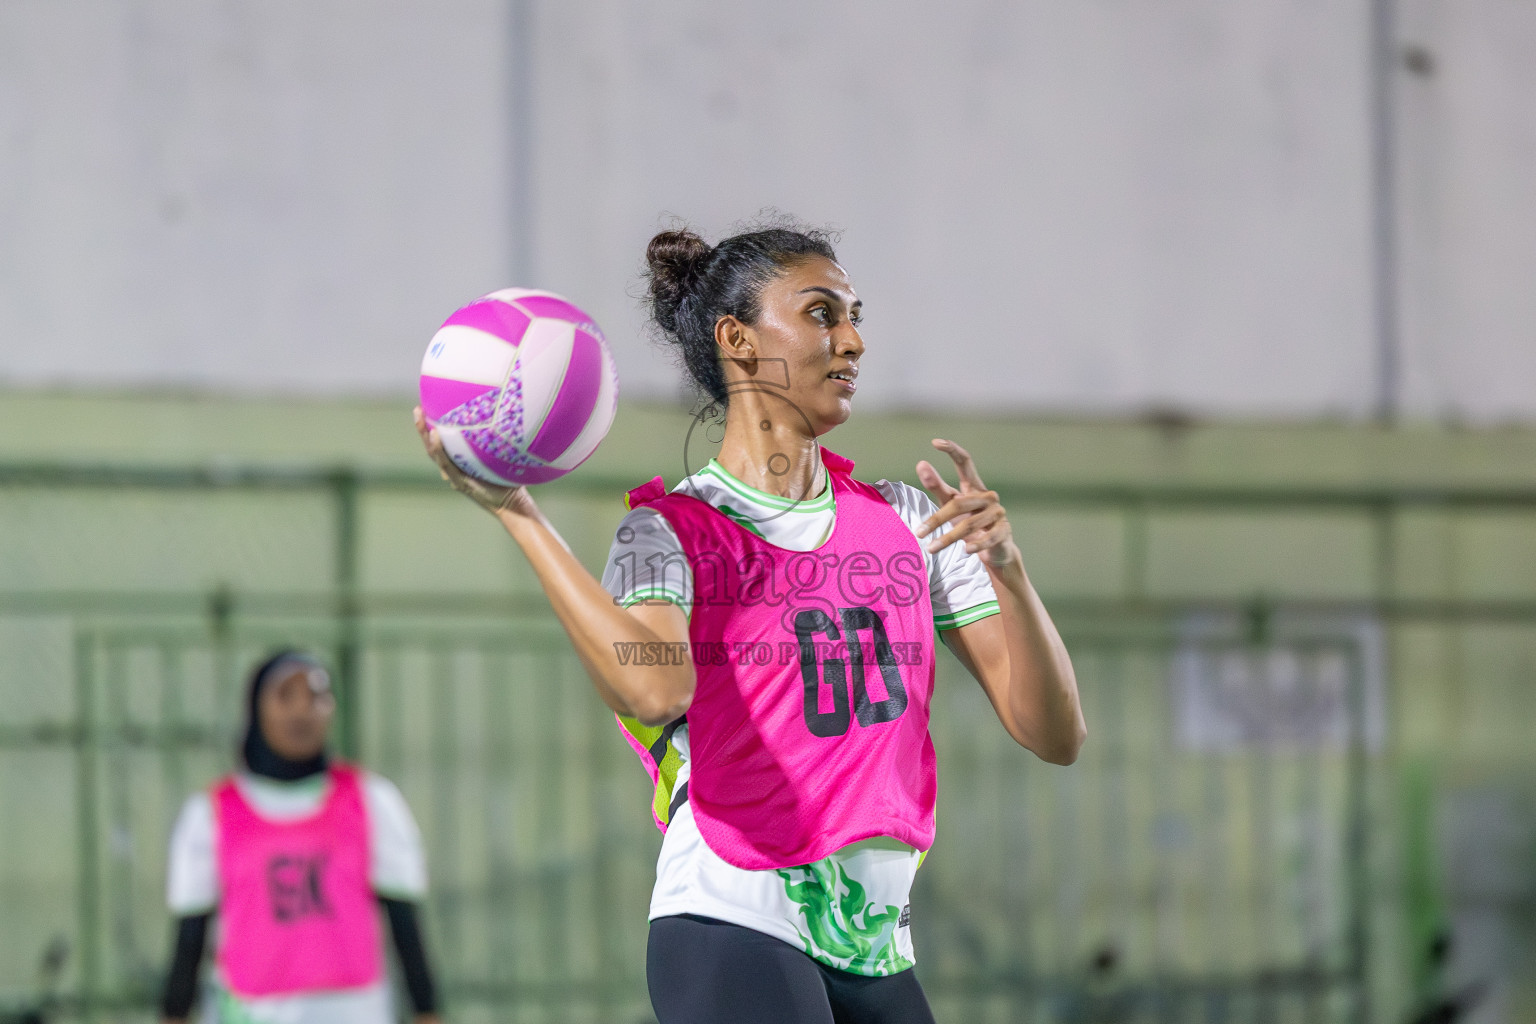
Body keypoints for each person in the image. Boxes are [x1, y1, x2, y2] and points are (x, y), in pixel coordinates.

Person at [414, 223, 1085, 1024]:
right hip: (734, 913)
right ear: (738, 339)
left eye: (854, 314)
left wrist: (1011, 572)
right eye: (821, 313)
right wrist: (522, 516)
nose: (854, 339)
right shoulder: (667, 533)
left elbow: (1055, 734)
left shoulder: (912, 522)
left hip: (874, 943)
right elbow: (653, 686)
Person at [159, 651, 441, 1024]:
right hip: (251, 1011)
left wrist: (427, 1010)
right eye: (285, 696)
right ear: (256, 708)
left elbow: (404, 921)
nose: (302, 711)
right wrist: (174, 1013)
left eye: (316, 697)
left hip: (354, 1010)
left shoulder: (372, 801)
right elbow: (190, 936)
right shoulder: (211, 813)